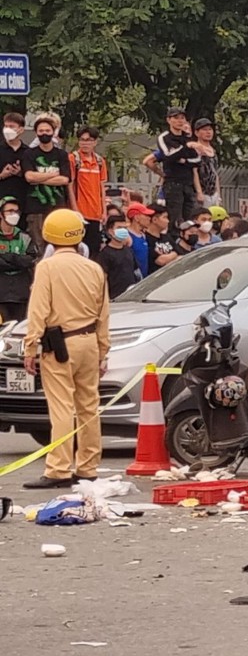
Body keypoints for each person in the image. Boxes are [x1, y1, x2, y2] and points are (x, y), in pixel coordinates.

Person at [20, 209, 112, 490]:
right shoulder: (94, 267)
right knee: (88, 407)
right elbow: (103, 312)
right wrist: (102, 349)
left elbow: (39, 310)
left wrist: (30, 346)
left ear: (49, 235)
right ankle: (88, 467)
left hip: (59, 346)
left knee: (61, 407)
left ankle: (58, 469)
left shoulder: (47, 268)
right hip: (88, 344)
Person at [143, 110, 204, 226]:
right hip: (173, 183)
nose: (179, 121)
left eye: (182, 118)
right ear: (168, 120)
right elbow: (168, 156)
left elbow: (197, 160)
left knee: (189, 219)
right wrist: (185, 149)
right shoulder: (165, 137)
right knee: (174, 218)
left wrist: (183, 160)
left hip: (188, 184)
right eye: (176, 118)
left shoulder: (188, 138)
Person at [23, 116, 73, 234]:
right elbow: (29, 177)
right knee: (39, 246)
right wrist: (53, 174)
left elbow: (65, 179)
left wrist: (38, 178)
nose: (44, 133)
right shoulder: (29, 154)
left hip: (58, 207)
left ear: (53, 132)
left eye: (47, 130)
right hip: (35, 208)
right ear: (36, 133)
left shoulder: (62, 155)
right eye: (41, 131)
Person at [69, 127, 109, 252]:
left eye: (89, 140)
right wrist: (75, 209)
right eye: (82, 140)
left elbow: (101, 187)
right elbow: (69, 185)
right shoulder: (74, 159)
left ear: (95, 142)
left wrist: (104, 211)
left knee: (93, 251)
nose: (85, 143)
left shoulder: (100, 161)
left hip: (96, 214)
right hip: (79, 213)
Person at [0, 201, 32, 322]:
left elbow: (30, 260)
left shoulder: (25, 237)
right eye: (10, 211)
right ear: (1, 214)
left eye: (17, 211)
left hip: (21, 294)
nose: (14, 214)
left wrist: (8, 257)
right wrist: (17, 260)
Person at [98, 218, 141, 297]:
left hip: (131, 295)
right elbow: (102, 279)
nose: (123, 231)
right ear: (111, 231)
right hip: (114, 297)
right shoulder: (105, 254)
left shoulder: (129, 251)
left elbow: (136, 272)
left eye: (125, 228)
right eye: (119, 228)